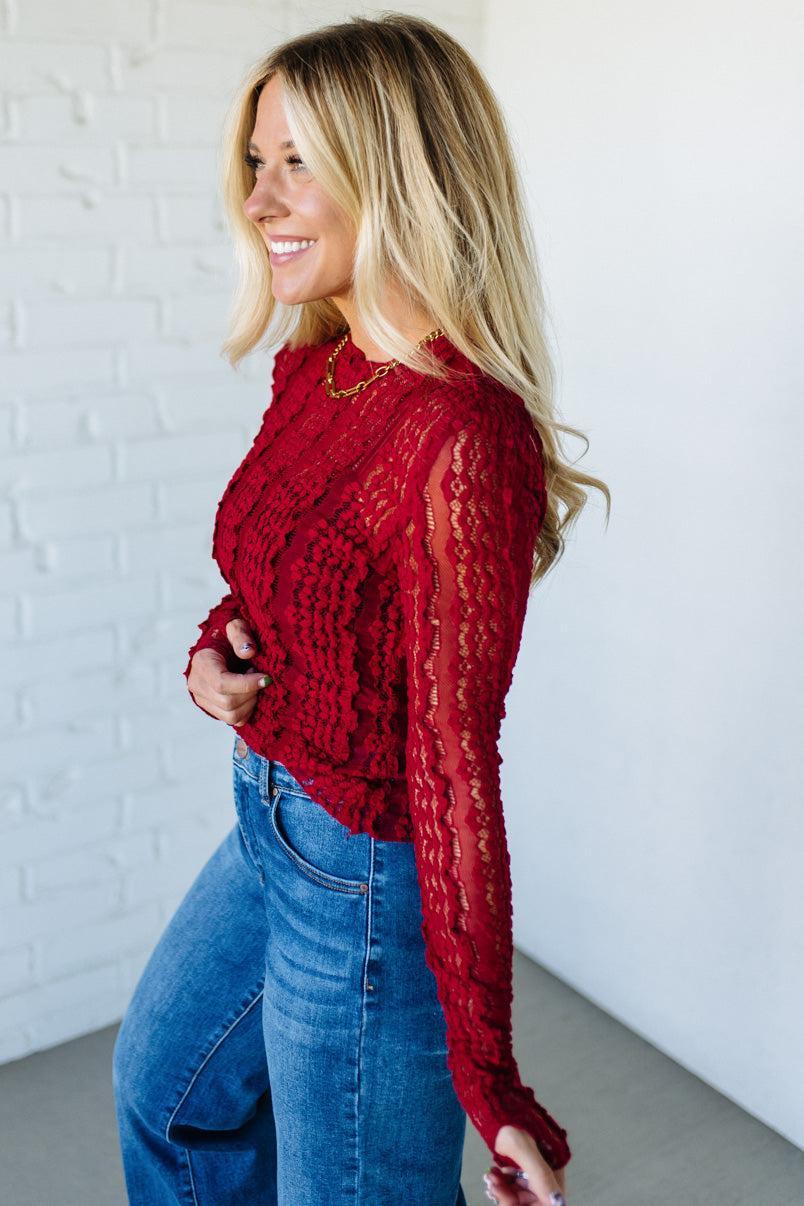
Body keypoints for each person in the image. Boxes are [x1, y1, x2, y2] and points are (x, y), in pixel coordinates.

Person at [112, 13, 609, 1206]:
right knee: (164, 1097)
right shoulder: (319, 361)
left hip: (368, 868)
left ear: (397, 174)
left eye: (299, 163)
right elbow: (281, 569)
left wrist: (489, 1081)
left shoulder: (462, 433)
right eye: (255, 162)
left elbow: (450, 766)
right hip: (269, 818)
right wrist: (214, 651)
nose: (260, 201)